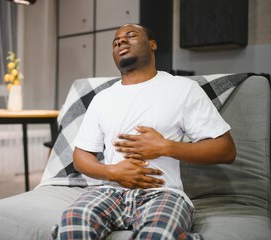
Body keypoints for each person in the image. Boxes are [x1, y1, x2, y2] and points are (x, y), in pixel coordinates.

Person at [51, 23, 236, 240]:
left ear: (153, 44)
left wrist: (166, 147)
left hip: (164, 193)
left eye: (131, 36)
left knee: (157, 235)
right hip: (108, 191)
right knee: (72, 228)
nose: (121, 42)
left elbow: (226, 150)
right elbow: (80, 157)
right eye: (115, 42)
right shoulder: (102, 99)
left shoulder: (183, 89)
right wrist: (112, 172)